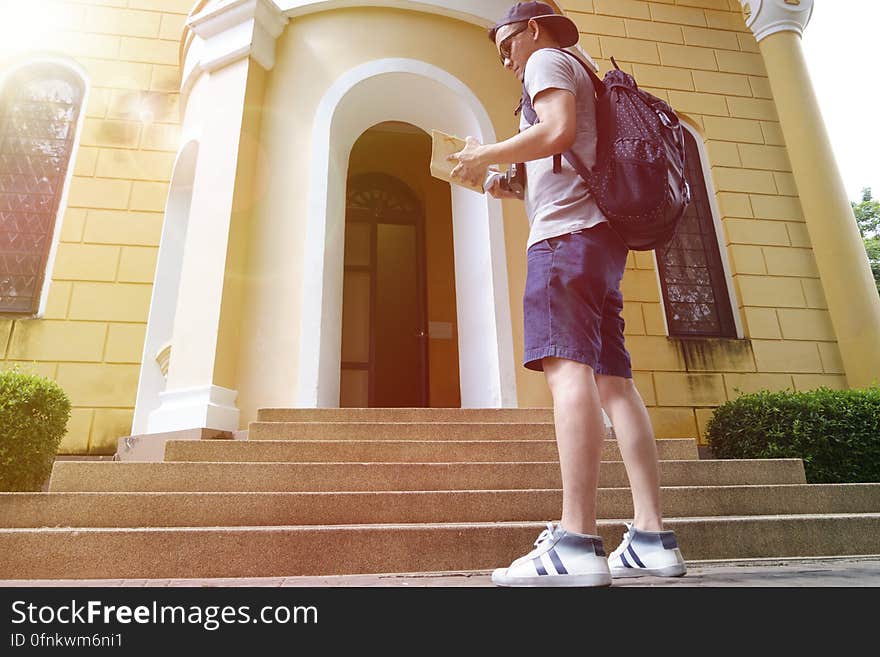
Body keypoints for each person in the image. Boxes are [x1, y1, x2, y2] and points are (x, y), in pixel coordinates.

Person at [448, 1, 687, 587]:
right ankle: (652, 538)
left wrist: (484, 151)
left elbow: (555, 131)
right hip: (599, 242)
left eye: (507, 44)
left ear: (532, 28)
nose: (506, 59)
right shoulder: (582, 71)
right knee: (614, 383)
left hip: (563, 244)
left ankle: (575, 540)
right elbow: (562, 154)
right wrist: (498, 180)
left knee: (568, 371)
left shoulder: (547, 59)